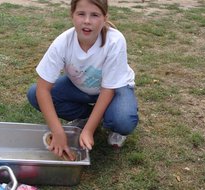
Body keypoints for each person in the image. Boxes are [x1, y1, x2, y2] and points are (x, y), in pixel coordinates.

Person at [27, 0, 139, 161]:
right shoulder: (63, 42)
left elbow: (108, 90)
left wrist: (88, 130)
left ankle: (113, 122)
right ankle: (87, 116)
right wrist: (57, 131)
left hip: (115, 88)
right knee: (33, 94)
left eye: (94, 15)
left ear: (105, 18)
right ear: (72, 16)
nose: (87, 21)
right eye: (81, 14)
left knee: (122, 120)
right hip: (81, 86)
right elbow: (42, 89)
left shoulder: (115, 41)